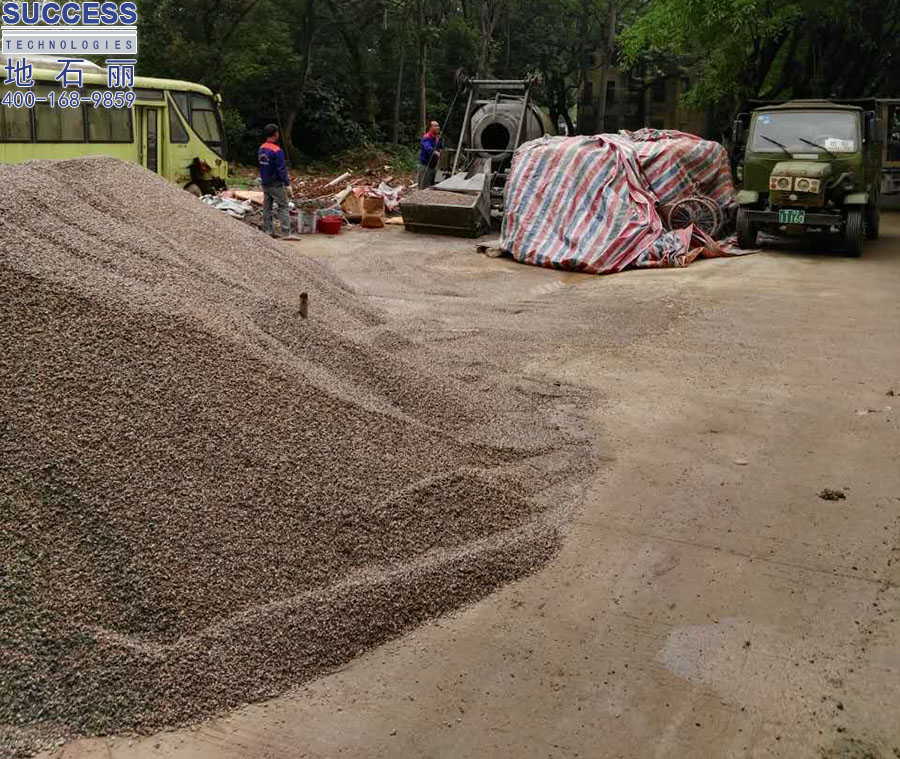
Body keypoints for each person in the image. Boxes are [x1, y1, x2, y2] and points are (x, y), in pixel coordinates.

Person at [258, 124, 295, 238]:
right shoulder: (277, 150)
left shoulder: (262, 148)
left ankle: (268, 231)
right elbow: (281, 170)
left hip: (265, 182)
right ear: (276, 134)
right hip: (275, 183)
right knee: (283, 206)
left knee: (267, 207)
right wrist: (287, 184)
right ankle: (286, 232)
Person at [418, 121, 443, 189]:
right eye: (435, 126)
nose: (438, 127)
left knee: (432, 186)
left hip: (433, 166)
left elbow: (440, 148)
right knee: (424, 186)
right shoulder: (427, 137)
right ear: (430, 127)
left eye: (438, 126)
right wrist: (436, 153)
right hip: (425, 166)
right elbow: (428, 148)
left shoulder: (437, 138)